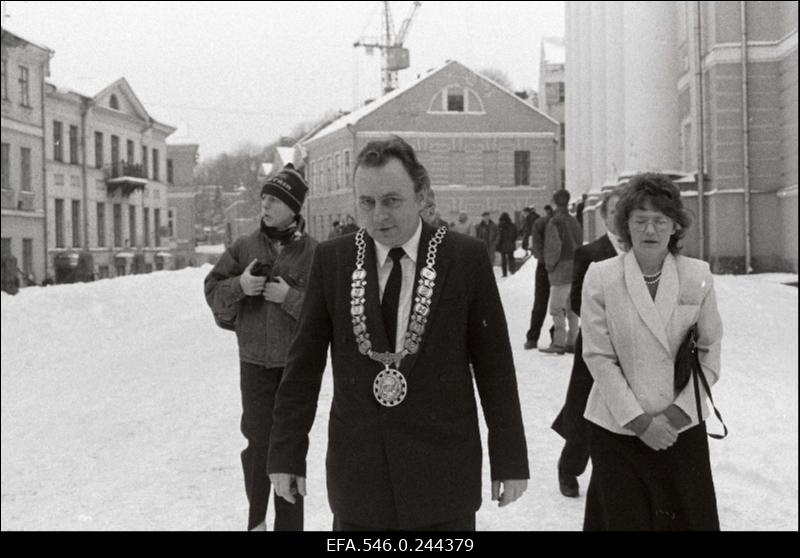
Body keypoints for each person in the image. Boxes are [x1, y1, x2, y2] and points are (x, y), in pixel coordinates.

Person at [267, 136, 529, 531]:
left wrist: (509, 458)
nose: (378, 217)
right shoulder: (333, 260)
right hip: (360, 483)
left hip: (443, 481)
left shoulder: (464, 259)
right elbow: (302, 367)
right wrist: (286, 453)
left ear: (421, 194)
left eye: (392, 201)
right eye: (366, 203)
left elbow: (495, 368)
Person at [581, 173, 723, 530]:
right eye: (640, 220)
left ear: (675, 226)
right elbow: (598, 356)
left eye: (660, 221)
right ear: (625, 225)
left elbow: (709, 353)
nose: (650, 230)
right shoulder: (601, 276)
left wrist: (673, 418)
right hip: (618, 427)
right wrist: (641, 422)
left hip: (681, 428)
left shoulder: (697, 276)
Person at [204, 166, 318, 531]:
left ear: (292, 206)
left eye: (273, 200)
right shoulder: (244, 247)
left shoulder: (314, 253)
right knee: (257, 443)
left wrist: (290, 298)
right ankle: (256, 521)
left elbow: (327, 314)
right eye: (264, 199)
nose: (265, 206)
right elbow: (214, 296)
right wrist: (241, 285)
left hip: (295, 367)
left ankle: (290, 526)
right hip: (254, 362)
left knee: (291, 446)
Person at [550, 190, 624, 498]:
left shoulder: (644, 252)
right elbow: (578, 301)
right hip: (594, 343)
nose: (619, 217)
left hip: (633, 346)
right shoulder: (590, 253)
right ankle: (569, 467)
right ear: (605, 216)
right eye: (614, 211)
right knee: (584, 408)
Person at [540, 190, 583, 355]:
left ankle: (558, 342)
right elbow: (579, 241)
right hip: (576, 268)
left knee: (556, 308)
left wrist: (549, 266)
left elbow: (553, 248)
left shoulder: (554, 222)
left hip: (561, 271)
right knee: (572, 308)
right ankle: (572, 341)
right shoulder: (574, 221)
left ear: (555, 203)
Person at [523, 205, 554, 350]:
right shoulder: (567, 221)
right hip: (559, 267)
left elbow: (536, 246)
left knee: (540, 303)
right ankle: (556, 337)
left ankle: (532, 338)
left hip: (544, 267)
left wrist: (545, 262)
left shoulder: (540, 223)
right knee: (560, 305)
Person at [496, 212, 518, 277]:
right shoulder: (512, 225)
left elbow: (498, 236)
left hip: (502, 245)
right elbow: (515, 235)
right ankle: (512, 271)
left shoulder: (500, 226)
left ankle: (504, 273)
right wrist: (512, 241)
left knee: (503, 260)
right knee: (511, 258)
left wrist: (498, 245)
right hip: (511, 244)